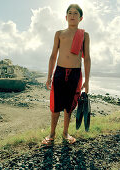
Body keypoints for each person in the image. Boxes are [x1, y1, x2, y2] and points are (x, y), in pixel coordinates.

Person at [42, 4, 91, 145]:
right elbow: (53, 56)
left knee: (69, 105)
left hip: (75, 73)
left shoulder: (84, 35)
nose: (72, 15)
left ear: (81, 18)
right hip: (59, 71)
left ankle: (65, 133)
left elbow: (87, 58)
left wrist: (87, 80)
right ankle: (51, 133)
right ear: (66, 17)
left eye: (76, 13)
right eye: (70, 13)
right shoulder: (59, 33)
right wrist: (49, 76)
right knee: (56, 104)